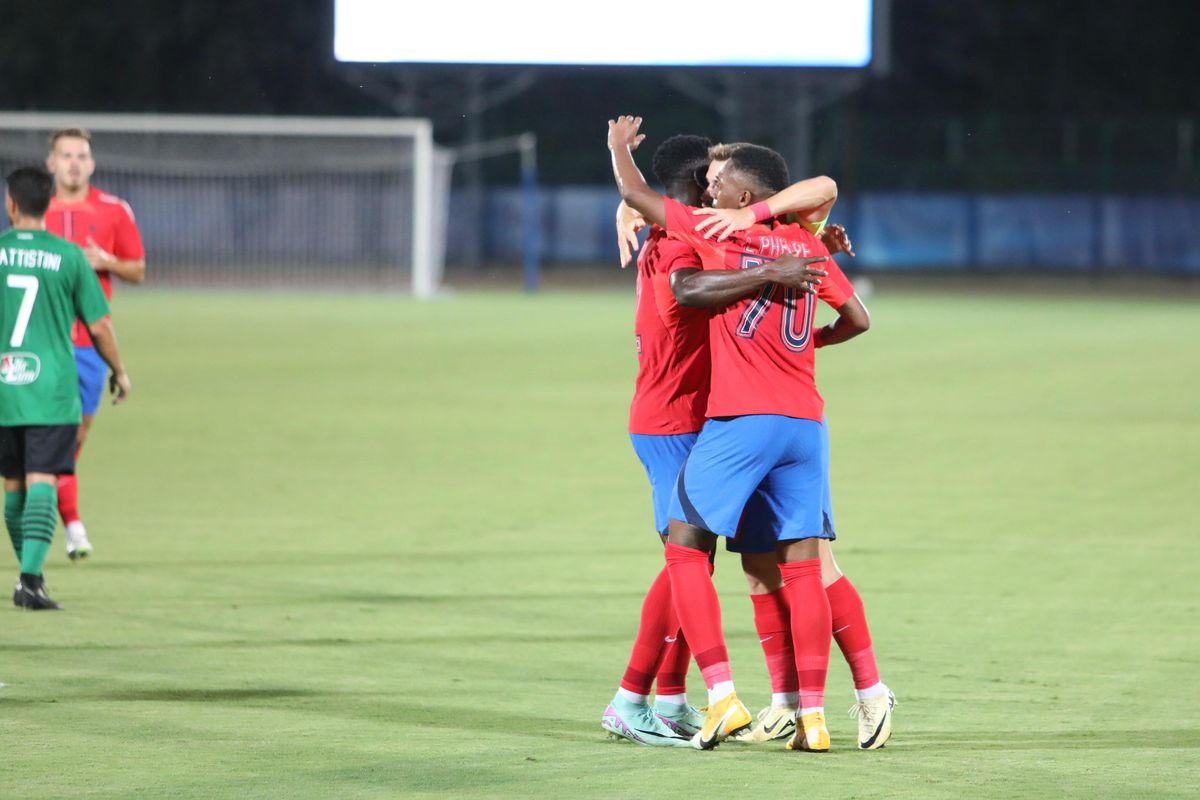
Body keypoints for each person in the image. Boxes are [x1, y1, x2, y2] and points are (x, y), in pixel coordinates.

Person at [609, 115, 871, 752]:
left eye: (726, 184)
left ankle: (692, 699)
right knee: (697, 556)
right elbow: (690, 287)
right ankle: (639, 698)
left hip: (725, 420)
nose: (717, 193)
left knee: (738, 562)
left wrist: (786, 238)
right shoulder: (683, 240)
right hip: (681, 420)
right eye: (711, 182)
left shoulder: (726, 230)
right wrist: (778, 266)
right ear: (697, 193)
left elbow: (818, 191)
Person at [0, 166, 131, 609]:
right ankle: (30, 579)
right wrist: (120, 370)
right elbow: (99, 325)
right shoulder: (70, 257)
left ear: (11, 204)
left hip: (4, 386)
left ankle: (27, 578)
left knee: (12, 487)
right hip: (51, 387)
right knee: (42, 479)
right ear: (49, 203)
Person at [43, 128, 145, 560]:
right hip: (40, 343)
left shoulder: (113, 210)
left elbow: (138, 269)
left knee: (72, 442)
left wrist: (106, 261)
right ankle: (72, 526)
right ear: (51, 163)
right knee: (47, 442)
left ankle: (65, 522)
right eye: (65, 155)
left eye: (81, 155)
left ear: (92, 163)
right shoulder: (33, 212)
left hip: (87, 345)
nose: (73, 163)